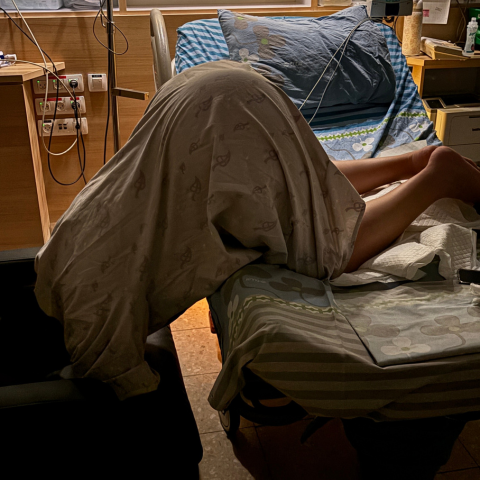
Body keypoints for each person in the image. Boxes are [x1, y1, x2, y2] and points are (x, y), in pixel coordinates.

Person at [34, 60, 480, 401]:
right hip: (212, 89)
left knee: (326, 248)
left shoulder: (90, 314)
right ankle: (409, 162)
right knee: (295, 180)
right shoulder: (68, 250)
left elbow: (120, 383)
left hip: (217, 105)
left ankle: (434, 178)